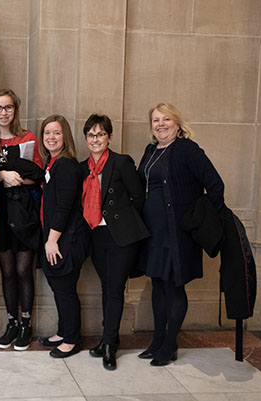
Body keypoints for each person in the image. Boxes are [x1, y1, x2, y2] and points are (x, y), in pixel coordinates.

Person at [137, 103, 225, 366]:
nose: (160, 124)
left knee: (174, 286)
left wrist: (199, 220)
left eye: (166, 119)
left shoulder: (187, 149)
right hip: (152, 231)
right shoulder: (151, 151)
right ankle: (157, 340)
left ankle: (170, 343)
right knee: (157, 284)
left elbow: (215, 185)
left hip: (178, 233)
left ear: (177, 123)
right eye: (155, 120)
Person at [80, 114, 150, 370]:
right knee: (106, 287)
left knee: (115, 288)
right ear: (86, 138)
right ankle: (108, 338)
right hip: (96, 235)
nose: (95, 139)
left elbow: (139, 198)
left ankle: (110, 345)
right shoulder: (83, 167)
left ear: (109, 137)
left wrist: (125, 224)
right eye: (91, 135)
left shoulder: (121, 163)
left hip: (121, 237)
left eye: (100, 134)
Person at [0, 89, 43, 351]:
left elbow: (38, 174)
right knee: (6, 271)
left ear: (15, 109)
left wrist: (15, 177)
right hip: (0, 212)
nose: (3, 112)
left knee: (22, 270)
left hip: (25, 211)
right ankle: (12, 322)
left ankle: (26, 323)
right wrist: (1, 176)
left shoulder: (27, 138)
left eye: (8, 107)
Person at [37, 114, 90, 359]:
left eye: (56, 132)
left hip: (65, 239)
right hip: (56, 237)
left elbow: (65, 207)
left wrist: (52, 239)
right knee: (59, 288)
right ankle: (63, 331)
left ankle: (71, 340)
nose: (51, 137)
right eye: (47, 132)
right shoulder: (53, 163)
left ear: (65, 136)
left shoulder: (67, 165)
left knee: (65, 288)